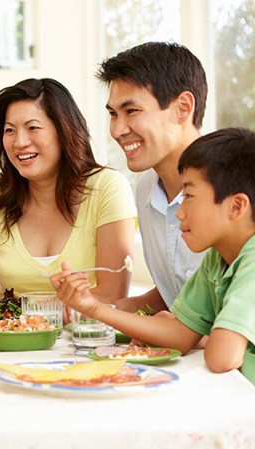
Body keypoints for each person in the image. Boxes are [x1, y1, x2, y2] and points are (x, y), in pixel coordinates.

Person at [52, 128, 255, 400]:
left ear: (237, 206)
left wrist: (203, 336)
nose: (179, 212)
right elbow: (178, 334)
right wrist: (92, 307)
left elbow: (221, 358)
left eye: (189, 197)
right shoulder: (218, 259)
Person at [0, 78, 136, 312]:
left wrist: (16, 311)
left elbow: (112, 297)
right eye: (9, 130)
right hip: (13, 345)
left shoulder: (107, 188)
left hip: (86, 342)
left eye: (33, 128)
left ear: (64, 131)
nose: (20, 142)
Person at [96, 41, 208, 313]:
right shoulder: (146, 189)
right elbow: (182, 291)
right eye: (113, 114)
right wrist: (111, 309)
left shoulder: (236, 189)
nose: (118, 130)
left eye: (131, 111)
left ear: (183, 107)